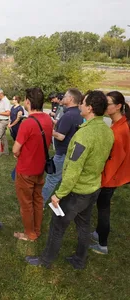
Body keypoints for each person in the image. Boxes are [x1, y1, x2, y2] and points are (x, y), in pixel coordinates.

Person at [25, 90, 114, 269]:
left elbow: (73, 170)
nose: (80, 105)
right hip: (93, 188)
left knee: (57, 226)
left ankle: (45, 260)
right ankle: (80, 260)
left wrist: (59, 194)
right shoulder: (107, 130)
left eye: (83, 103)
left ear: (89, 108)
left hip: (77, 192)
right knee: (83, 225)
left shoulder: (83, 135)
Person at [90, 91, 130, 255]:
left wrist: (104, 181)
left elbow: (116, 160)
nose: (105, 106)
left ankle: (102, 244)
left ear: (118, 106)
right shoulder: (119, 123)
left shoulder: (120, 131)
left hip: (111, 177)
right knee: (102, 207)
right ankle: (99, 232)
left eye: (108, 103)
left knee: (103, 208)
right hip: (112, 175)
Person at [13, 87, 53, 241]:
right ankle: (37, 230)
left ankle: (30, 234)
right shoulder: (48, 119)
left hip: (26, 170)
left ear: (28, 102)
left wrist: (18, 154)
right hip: (40, 168)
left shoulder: (27, 123)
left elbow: (16, 149)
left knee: (26, 204)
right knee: (38, 199)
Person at [42, 88, 83, 206]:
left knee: (52, 178)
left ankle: (40, 203)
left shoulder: (68, 115)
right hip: (70, 152)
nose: (62, 98)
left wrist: (48, 130)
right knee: (63, 178)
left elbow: (60, 136)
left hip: (63, 153)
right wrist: (55, 122)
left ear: (70, 99)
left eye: (65, 96)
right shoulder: (78, 113)